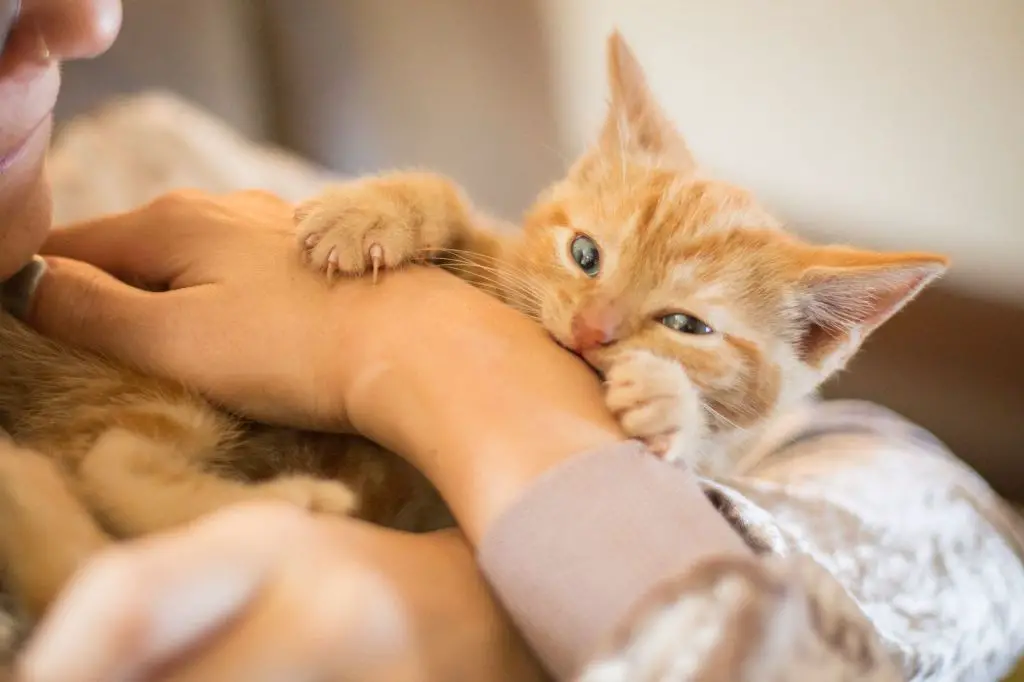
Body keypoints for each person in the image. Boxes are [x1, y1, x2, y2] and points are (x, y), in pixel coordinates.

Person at [4, 3, 1023, 682]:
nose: (592, 327)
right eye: (586, 256)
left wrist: (426, 345)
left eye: (682, 321)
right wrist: (519, 594)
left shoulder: (155, 156)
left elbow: (973, 538)